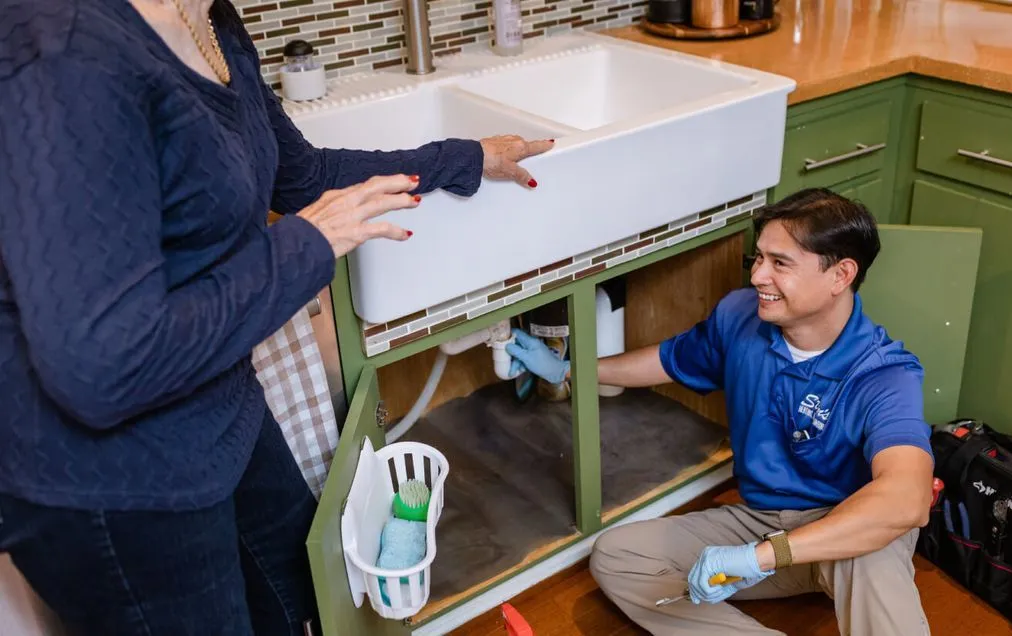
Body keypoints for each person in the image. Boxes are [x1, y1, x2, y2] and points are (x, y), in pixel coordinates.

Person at [0, 0, 552, 634]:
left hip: (212, 399)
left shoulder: (212, 22)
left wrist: (465, 158)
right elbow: (101, 366)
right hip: (116, 483)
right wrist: (307, 245)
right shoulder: (64, 50)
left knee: (304, 597)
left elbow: (303, 176)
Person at [506, 188, 935, 635]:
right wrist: (568, 370)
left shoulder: (884, 375)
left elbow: (906, 499)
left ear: (840, 274)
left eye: (780, 263)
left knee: (874, 547)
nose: (758, 276)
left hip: (845, 532)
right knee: (617, 556)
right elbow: (667, 361)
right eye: (759, 258)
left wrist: (762, 557)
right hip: (762, 522)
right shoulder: (741, 317)